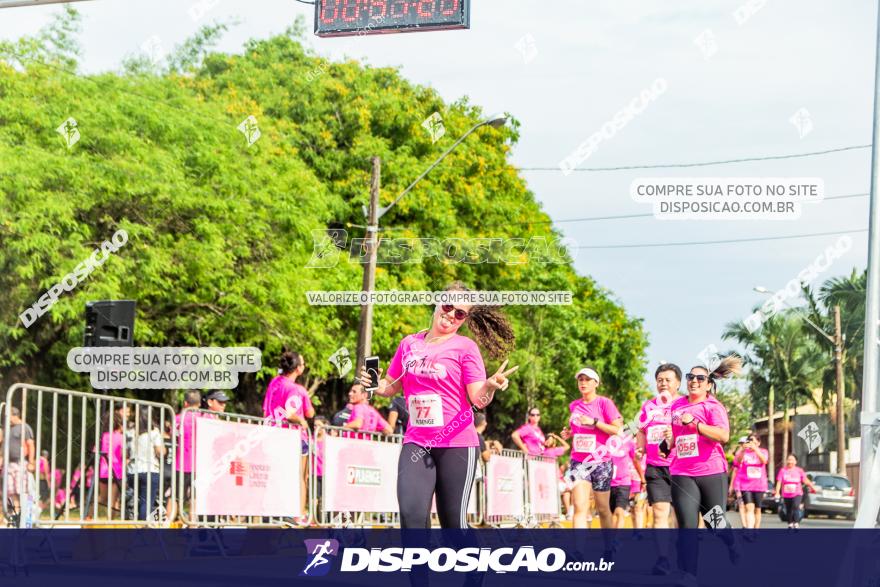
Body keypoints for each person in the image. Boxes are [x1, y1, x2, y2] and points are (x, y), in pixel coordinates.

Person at [362, 281, 518, 529]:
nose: (451, 315)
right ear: (438, 301)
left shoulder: (465, 348)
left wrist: (489, 386)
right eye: (448, 306)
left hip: (456, 444)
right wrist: (375, 385)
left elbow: (478, 399)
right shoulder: (409, 344)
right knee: (411, 519)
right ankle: (418, 569)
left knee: (453, 526)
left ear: (464, 319)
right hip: (417, 442)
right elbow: (391, 386)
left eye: (460, 314)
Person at [664, 356, 741, 582]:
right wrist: (666, 445)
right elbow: (675, 436)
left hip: (711, 471)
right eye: (691, 377)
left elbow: (723, 436)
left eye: (700, 378)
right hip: (682, 471)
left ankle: (731, 541)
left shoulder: (713, 407)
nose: (694, 381)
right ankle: (689, 574)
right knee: (687, 525)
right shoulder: (677, 405)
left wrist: (696, 425)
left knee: (713, 522)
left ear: (708, 384)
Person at [560, 367, 624, 530]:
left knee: (602, 509)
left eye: (587, 379)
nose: (583, 383)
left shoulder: (604, 403)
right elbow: (579, 430)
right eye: (580, 379)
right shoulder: (574, 405)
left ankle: (609, 548)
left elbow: (618, 430)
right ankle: (579, 552)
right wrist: (569, 433)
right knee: (579, 507)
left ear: (596, 383)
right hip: (579, 462)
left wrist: (594, 422)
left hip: (601, 462)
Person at [262, 351, 315, 522]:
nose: (305, 367)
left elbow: (266, 409)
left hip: (273, 434)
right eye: (304, 364)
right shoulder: (295, 389)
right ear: (298, 368)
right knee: (301, 477)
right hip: (293, 436)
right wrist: (302, 420)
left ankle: (275, 511)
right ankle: (297, 514)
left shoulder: (274, 383)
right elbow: (293, 413)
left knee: (278, 474)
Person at [636, 364, 679, 531]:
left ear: (678, 383)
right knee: (659, 513)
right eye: (660, 380)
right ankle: (663, 557)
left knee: (681, 514)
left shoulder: (683, 404)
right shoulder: (648, 406)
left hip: (680, 467)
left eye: (668, 380)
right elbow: (640, 429)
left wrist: (675, 433)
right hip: (655, 467)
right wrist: (641, 447)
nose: (663, 383)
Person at [131, 410, 166, 521]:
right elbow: (160, 452)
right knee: (147, 502)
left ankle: (138, 521)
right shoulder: (154, 432)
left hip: (133, 472)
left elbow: (124, 452)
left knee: (141, 501)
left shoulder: (131, 432)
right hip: (150, 470)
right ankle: (144, 529)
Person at [0, 407, 36, 517]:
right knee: (12, 492)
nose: (7, 419)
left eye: (9, 416)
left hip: (20, 463)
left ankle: (27, 515)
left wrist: (31, 462)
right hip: (9, 463)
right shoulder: (8, 428)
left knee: (23, 491)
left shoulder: (24, 427)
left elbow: (30, 444)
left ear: (15, 415)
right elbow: (4, 446)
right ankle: (16, 515)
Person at [732, 433, 768, 530]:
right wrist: (743, 449)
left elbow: (764, 461)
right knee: (749, 508)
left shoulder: (763, 451)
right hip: (746, 485)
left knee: (758, 509)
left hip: (759, 485)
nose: (752, 444)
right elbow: (737, 462)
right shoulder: (744, 452)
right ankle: (749, 529)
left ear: (759, 443)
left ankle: (756, 529)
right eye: (750, 442)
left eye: (755, 442)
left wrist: (756, 449)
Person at [174, 390, 201, 515]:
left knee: (175, 497)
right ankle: (193, 526)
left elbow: (172, 435)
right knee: (194, 499)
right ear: (199, 403)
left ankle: (167, 527)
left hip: (181, 463)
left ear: (185, 403)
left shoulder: (178, 418)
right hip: (198, 465)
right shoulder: (204, 418)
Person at [609, 435, 644, 528]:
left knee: (619, 511)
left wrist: (642, 478)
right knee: (611, 513)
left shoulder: (629, 442)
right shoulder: (605, 440)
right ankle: (610, 538)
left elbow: (635, 461)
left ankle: (616, 539)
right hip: (609, 483)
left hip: (624, 482)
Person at [775, 454, 815, 529]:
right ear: (786, 461)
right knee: (788, 509)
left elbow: (805, 480)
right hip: (786, 494)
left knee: (795, 506)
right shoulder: (783, 470)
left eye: (792, 460)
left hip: (797, 493)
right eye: (789, 459)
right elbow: (779, 482)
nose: (790, 461)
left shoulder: (799, 470)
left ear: (795, 462)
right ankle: (790, 523)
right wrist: (777, 492)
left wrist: (812, 487)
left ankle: (796, 522)